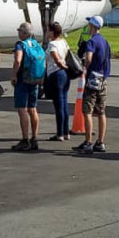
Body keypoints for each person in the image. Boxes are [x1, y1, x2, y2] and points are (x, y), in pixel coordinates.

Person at [74, 15, 111, 154]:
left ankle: (88, 141)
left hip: (92, 78)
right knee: (101, 111)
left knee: (87, 111)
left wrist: (85, 66)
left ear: (92, 26)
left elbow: (88, 58)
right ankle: (100, 141)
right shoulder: (105, 41)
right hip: (103, 78)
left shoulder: (91, 42)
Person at [10, 22, 41, 151]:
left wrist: (14, 75)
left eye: (19, 31)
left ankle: (25, 139)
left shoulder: (20, 45)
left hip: (23, 79)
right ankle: (34, 138)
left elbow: (18, 60)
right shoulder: (36, 44)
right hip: (34, 79)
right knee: (32, 109)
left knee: (22, 109)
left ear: (23, 33)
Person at [45, 22, 70, 141]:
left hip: (56, 74)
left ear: (52, 32)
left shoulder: (52, 44)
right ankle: (65, 131)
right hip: (64, 75)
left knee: (58, 104)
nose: (47, 32)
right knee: (64, 103)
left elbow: (56, 59)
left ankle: (60, 133)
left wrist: (62, 66)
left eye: (48, 30)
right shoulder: (64, 42)